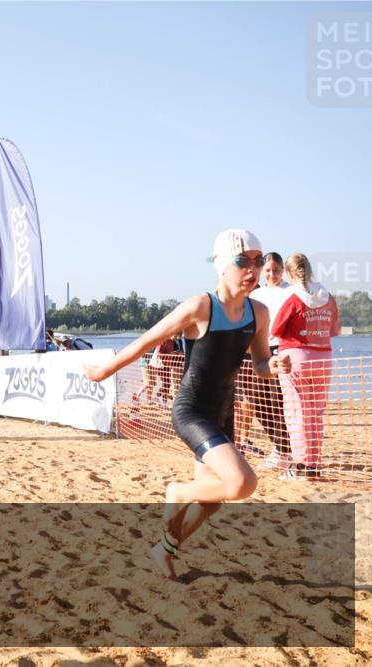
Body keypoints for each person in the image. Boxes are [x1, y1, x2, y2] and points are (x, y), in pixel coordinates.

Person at [85, 229, 290, 578]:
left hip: (223, 413)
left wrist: (273, 365)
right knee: (243, 483)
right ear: (222, 265)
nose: (253, 268)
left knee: (211, 502)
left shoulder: (259, 312)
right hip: (192, 410)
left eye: (258, 260)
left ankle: (163, 550)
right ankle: (178, 492)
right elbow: (146, 341)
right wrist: (106, 369)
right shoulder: (200, 307)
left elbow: (258, 363)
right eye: (243, 261)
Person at [271, 253, 340, 479]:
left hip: (295, 358)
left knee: (296, 412)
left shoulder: (293, 298)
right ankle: (314, 464)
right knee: (315, 413)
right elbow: (334, 330)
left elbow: (275, 329)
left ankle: (300, 464)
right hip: (323, 358)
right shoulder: (328, 297)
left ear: (289, 273)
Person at [249, 252, 293, 471]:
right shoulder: (256, 294)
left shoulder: (291, 291)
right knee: (258, 402)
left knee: (278, 402)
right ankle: (280, 448)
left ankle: (284, 452)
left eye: (276, 270)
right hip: (259, 350)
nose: (272, 274)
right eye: (267, 270)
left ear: (283, 269)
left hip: (282, 350)